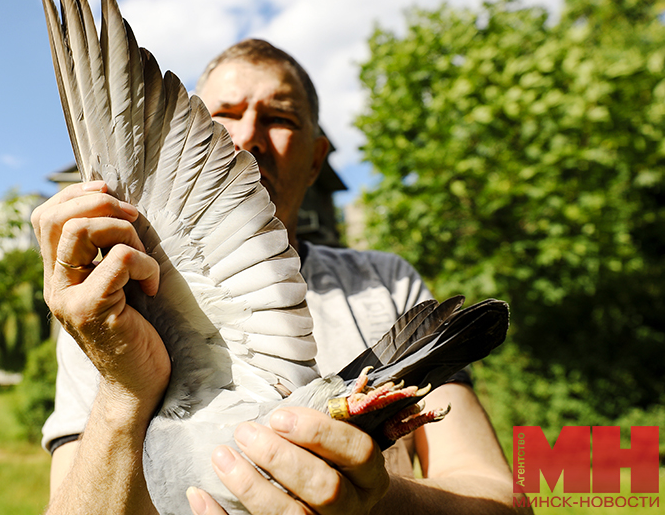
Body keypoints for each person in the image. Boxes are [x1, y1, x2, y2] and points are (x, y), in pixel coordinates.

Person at [31, 39, 529, 515]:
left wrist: (372, 504)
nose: (247, 136)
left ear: (316, 158)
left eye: (279, 118)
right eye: (221, 116)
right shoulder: (108, 318)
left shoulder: (383, 283)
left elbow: (499, 499)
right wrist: (124, 390)